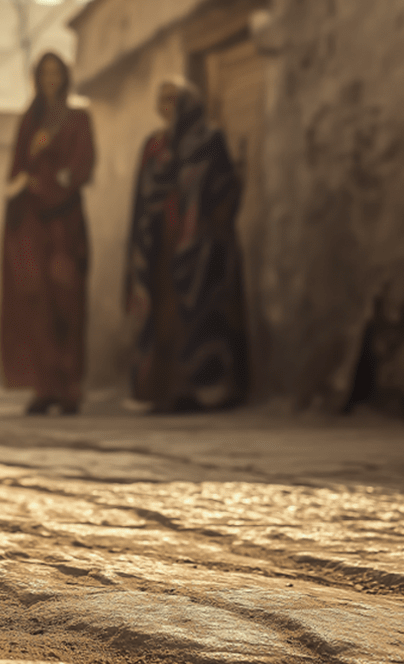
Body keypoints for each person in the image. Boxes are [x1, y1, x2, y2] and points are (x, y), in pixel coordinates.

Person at [124, 78, 249, 413]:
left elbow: (223, 188)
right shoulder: (154, 146)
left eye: (175, 99)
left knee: (200, 314)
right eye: (163, 100)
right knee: (164, 314)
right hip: (162, 244)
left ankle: (204, 388)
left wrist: (208, 229)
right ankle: (164, 389)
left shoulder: (209, 139)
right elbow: (142, 199)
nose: (169, 107)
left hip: (200, 249)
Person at [0, 52, 96, 416]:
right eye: (45, 73)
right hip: (32, 224)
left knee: (67, 302)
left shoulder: (78, 119)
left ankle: (71, 386)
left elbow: (82, 165)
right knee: (36, 301)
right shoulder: (30, 121)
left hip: (65, 223)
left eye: (57, 72)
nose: (51, 79)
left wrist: (55, 184)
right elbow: (17, 171)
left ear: (65, 77)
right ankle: (45, 387)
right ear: (37, 79)